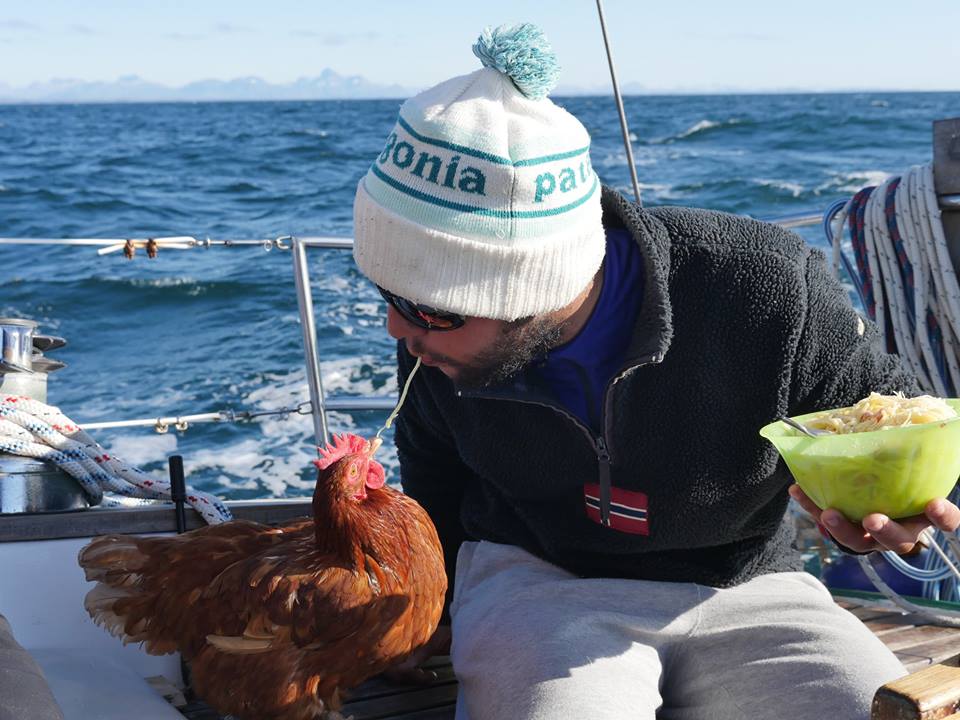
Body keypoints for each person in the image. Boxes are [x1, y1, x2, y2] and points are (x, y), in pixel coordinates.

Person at [352, 23, 960, 720]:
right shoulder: (441, 333)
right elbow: (433, 467)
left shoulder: (766, 286)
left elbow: (890, 415)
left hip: (746, 584)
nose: (397, 327)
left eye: (426, 305)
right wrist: (426, 607)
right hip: (538, 580)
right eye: (389, 293)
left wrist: (899, 508)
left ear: (533, 286)